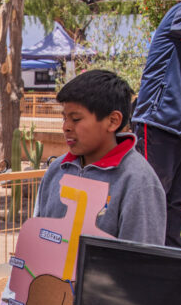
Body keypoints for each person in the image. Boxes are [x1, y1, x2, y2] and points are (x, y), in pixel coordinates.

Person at [37, 69, 166, 245]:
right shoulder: (56, 170)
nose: (66, 127)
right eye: (64, 118)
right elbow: (40, 236)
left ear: (113, 121)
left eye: (75, 119)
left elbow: (141, 262)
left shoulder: (138, 181)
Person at [131, 1, 181, 247]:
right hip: (160, 120)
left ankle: (166, 269)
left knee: (174, 206)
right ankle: (136, 267)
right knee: (149, 202)